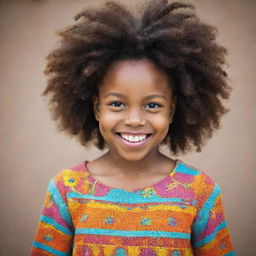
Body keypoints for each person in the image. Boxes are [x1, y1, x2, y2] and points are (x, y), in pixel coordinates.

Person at [30, 0, 236, 255]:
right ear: (97, 109)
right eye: (117, 103)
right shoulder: (67, 190)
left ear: (171, 111)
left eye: (152, 105)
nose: (135, 119)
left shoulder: (199, 191)